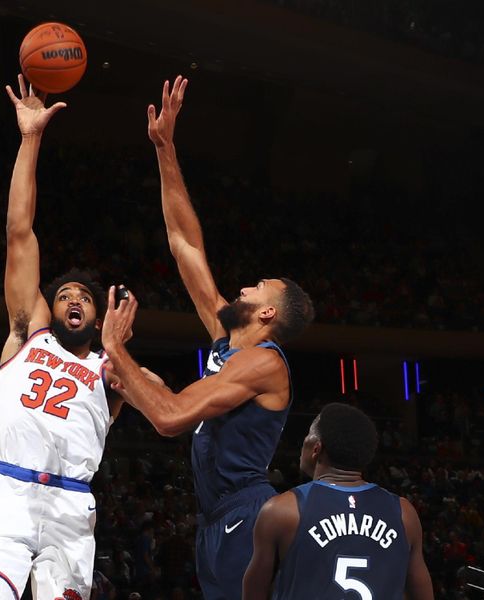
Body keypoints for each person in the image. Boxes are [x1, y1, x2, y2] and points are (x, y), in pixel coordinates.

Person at [101, 75, 315, 600]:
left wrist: (117, 352)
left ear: (267, 311)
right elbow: (184, 244)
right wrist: (165, 148)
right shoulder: (226, 336)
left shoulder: (268, 363)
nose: (246, 282)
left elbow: (172, 417)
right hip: (215, 516)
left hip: (248, 511)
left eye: (258, 284)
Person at [0, 74, 126, 600]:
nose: (73, 299)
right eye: (64, 293)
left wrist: (122, 352)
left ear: (99, 315)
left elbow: (170, 413)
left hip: (72, 505)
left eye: (85, 297)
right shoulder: (30, 334)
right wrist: (30, 139)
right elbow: (19, 232)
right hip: (8, 488)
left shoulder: (114, 371)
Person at [242, 403, 434, 600]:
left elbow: (253, 593)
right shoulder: (404, 514)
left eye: (308, 435)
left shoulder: (281, 511)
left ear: (316, 449)